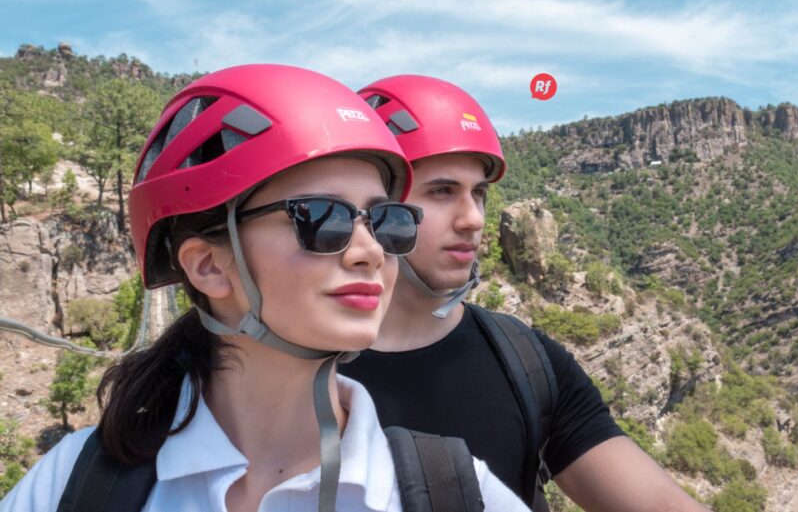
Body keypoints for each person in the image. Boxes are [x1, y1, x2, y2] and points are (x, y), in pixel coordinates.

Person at [0, 65, 527, 512]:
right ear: (208, 266)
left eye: (385, 220)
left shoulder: (451, 491)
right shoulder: (75, 484)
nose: (370, 251)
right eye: (325, 219)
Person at [340, 75, 709, 512]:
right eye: (442, 191)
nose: (472, 219)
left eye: (478, 193)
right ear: (379, 209)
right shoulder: (295, 375)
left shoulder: (525, 360)